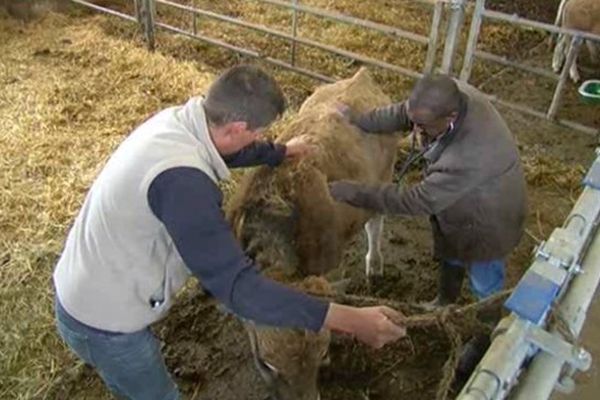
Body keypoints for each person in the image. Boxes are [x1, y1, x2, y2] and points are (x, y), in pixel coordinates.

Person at [53, 65, 407, 400]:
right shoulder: (185, 184)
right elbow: (238, 288)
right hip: (105, 324)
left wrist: (279, 152)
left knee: (124, 386)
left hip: (84, 282)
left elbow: (228, 151)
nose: (260, 138)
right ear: (237, 127)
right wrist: (350, 318)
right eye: (258, 132)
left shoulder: (176, 125)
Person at [329, 73, 527, 373]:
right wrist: (360, 120)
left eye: (423, 127)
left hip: (490, 217)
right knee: (451, 248)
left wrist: (351, 191)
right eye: (415, 122)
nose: (415, 130)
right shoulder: (448, 96)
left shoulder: (467, 155)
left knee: (485, 280)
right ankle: (444, 300)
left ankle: (483, 338)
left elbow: (412, 200)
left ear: (451, 117)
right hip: (458, 206)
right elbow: (402, 114)